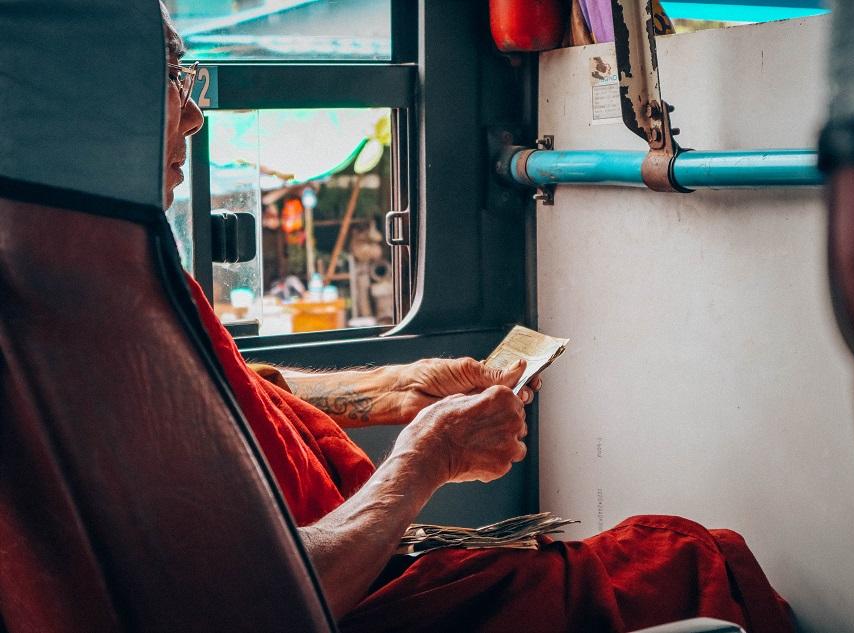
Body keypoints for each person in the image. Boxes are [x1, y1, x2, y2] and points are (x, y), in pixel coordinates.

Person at [161, 5, 794, 632]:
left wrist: (394, 387)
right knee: (691, 566)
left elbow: (236, 396)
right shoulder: (91, 330)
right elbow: (274, 599)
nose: (193, 118)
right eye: (169, 77)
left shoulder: (134, 275)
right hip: (360, 593)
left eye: (184, 77)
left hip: (367, 558)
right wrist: (426, 459)